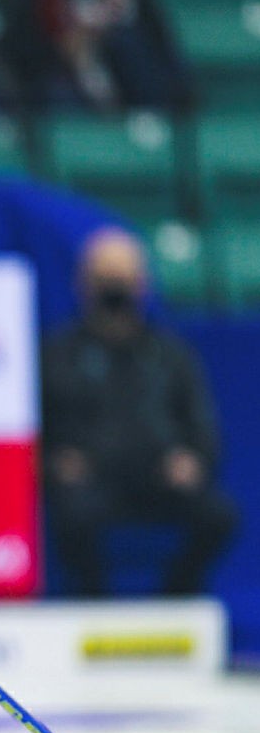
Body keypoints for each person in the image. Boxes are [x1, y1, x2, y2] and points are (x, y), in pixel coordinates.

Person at [42, 228, 237, 597]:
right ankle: (92, 600)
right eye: (105, 280)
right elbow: (39, 429)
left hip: (159, 480)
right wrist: (55, 461)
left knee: (219, 515)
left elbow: (202, 427)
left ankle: (177, 597)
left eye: (123, 280)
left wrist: (193, 459)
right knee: (72, 515)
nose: (115, 292)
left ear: (142, 285)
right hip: (90, 483)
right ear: (84, 285)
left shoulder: (170, 355)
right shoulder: (57, 355)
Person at [0, 0, 191, 113]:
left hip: (125, 85)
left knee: (130, 45)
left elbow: (159, 44)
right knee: (58, 96)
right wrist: (63, 49)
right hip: (66, 88)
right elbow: (20, 52)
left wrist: (104, 39)